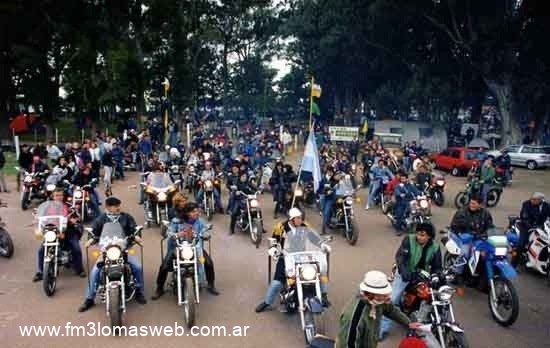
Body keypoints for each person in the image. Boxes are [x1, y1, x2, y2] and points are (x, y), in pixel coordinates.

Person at [255, 208, 331, 312]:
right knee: (277, 282)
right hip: (286, 257)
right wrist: (273, 249)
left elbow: (314, 238)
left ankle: (323, 296)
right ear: (291, 219)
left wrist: (322, 244)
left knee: (320, 273)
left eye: (301, 218)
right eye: (298, 218)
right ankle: (267, 302)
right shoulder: (280, 227)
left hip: (302, 256)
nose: (301, 220)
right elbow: (274, 241)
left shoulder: (305, 226)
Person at [78, 197, 146, 312]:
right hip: (106, 251)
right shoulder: (101, 218)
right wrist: (90, 239)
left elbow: (133, 228)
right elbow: (94, 231)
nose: (119, 208)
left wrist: (136, 235)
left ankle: (139, 291)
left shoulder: (126, 217)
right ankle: (89, 298)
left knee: (137, 267)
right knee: (95, 271)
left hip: (122, 250)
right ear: (108, 207)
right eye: (116, 206)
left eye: (119, 205)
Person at [379, 223, 442, 340]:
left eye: (423, 235)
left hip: (422, 275)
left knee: (437, 295)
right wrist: (404, 272)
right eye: (418, 234)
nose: (419, 237)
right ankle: (382, 329)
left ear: (429, 236)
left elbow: (437, 267)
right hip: (406, 273)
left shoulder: (435, 247)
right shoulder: (409, 240)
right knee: (392, 300)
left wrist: (437, 275)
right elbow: (400, 257)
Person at [151, 202, 219, 299]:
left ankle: (211, 285)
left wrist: (206, 235)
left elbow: (206, 230)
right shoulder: (176, 221)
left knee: (208, 263)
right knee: (164, 266)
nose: (197, 213)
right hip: (177, 248)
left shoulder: (200, 221)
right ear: (187, 213)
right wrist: (177, 235)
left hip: (195, 248)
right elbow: (169, 231)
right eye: (194, 211)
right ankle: (159, 288)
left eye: (197, 211)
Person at [336, 270, 419, 348]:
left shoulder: (378, 301)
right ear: (371, 294)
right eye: (383, 294)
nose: (388, 297)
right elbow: (348, 345)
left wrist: (408, 322)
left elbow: (391, 310)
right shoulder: (354, 318)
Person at [32, 188, 85, 281]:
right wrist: (36, 219)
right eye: (57, 195)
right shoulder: (47, 207)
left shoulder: (68, 206)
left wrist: (74, 219)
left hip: (68, 231)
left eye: (61, 195)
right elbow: (40, 215)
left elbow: (76, 215)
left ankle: (79, 269)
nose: (59, 197)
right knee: (41, 250)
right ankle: (40, 272)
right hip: (52, 231)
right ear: (53, 196)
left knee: (75, 247)